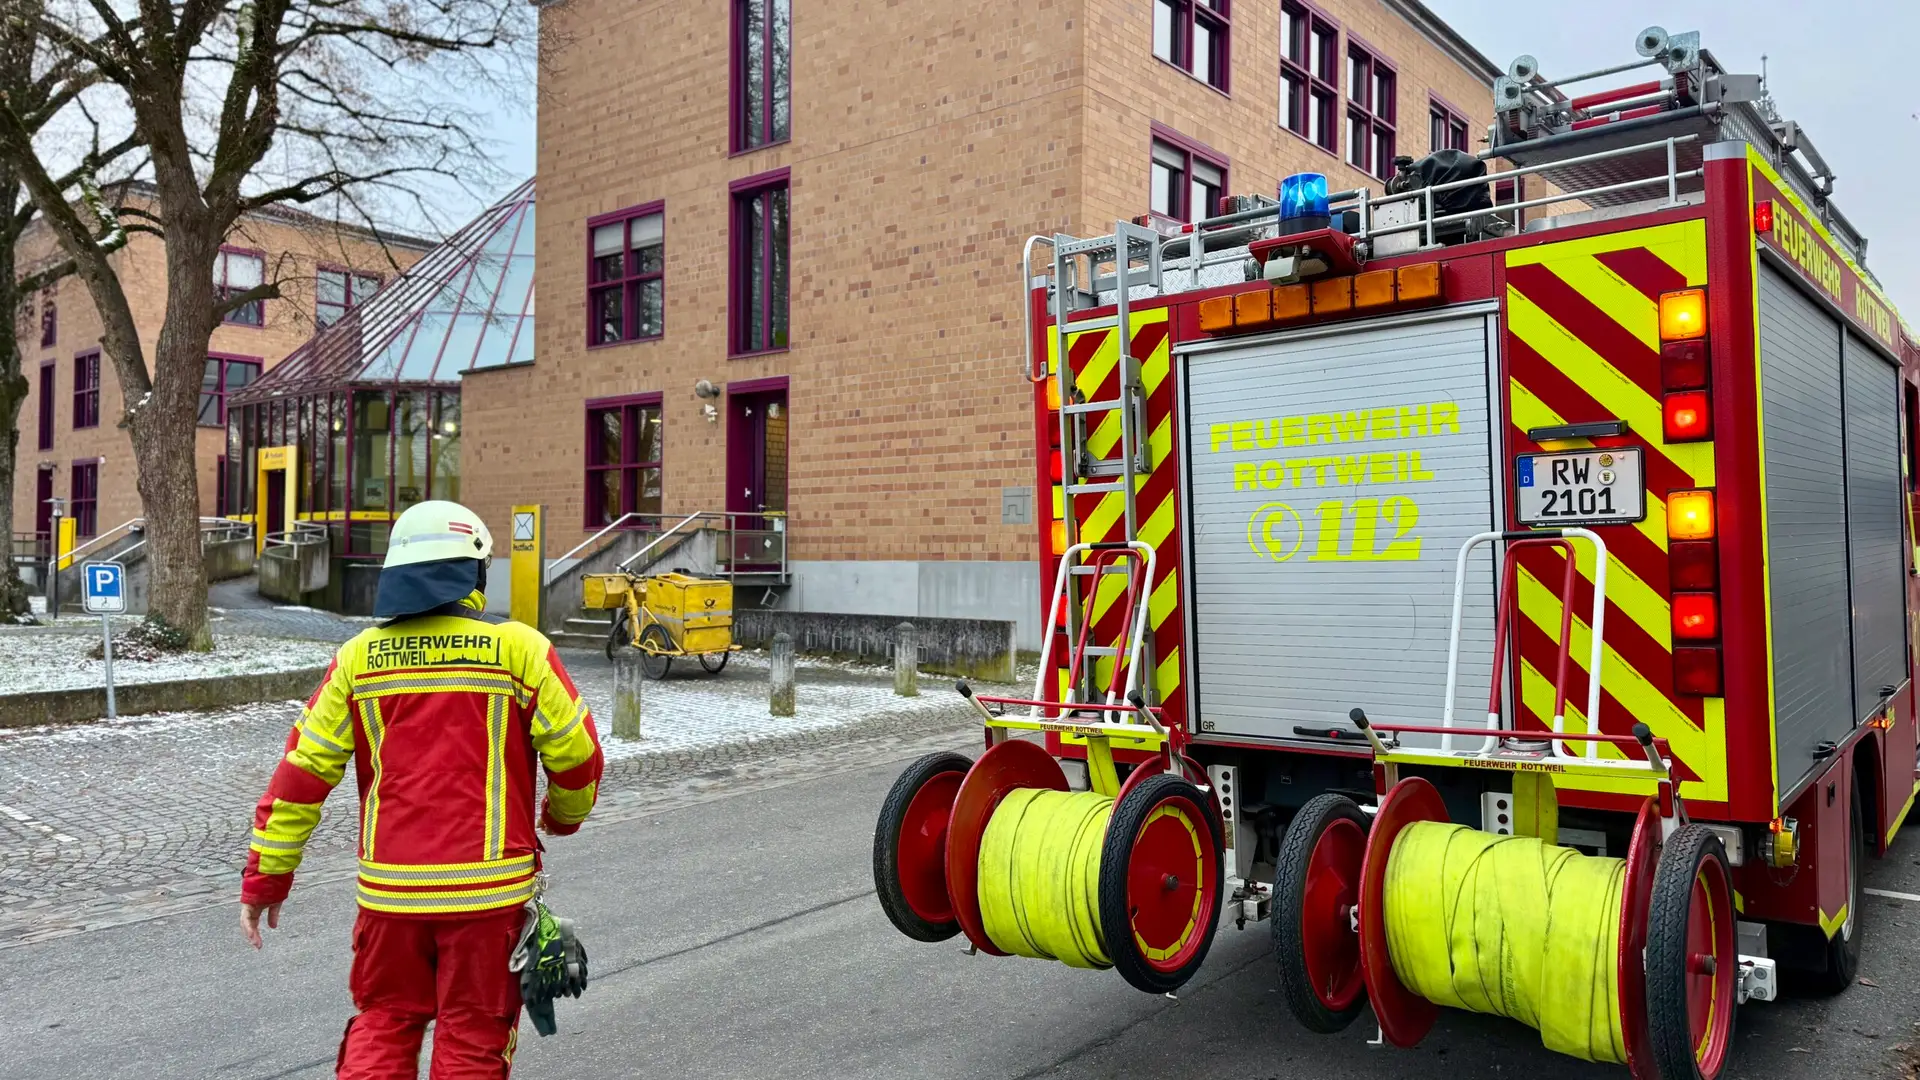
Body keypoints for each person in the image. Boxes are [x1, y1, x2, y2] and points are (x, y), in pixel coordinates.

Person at [240, 500, 604, 1079]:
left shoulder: (357, 658)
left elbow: (302, 776)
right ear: (474, 572)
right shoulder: (519, 649)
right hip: (487, 897)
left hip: (390, 897)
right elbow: (578, 758)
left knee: (384, 1020)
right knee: (474, 1034)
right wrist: (560, 818)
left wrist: (268, 877)